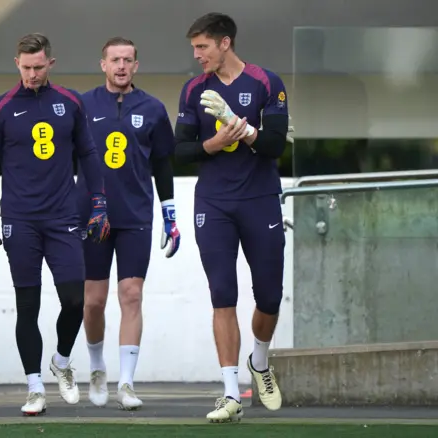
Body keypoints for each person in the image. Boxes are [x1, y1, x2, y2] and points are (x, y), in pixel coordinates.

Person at [0, 32, 110, 416]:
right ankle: (34, 388)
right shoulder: (0, 109)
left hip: (63, 216)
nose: (32, 74)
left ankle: (61, 362)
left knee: (75, 301)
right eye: (26, 67)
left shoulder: (70, 102)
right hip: (19, 220)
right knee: (26, 305)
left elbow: (89, 154)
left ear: (51, 63)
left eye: (38, 67)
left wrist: (99, 202)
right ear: (17, 63)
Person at [174, 13, 291, 423]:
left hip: (259, 198)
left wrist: (245, 133)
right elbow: (180, 150)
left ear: (225, 43)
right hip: (214, 203)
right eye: (194, 48)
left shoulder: (265, 82)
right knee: (222, 293)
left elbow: (277, 144)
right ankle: (230, 393)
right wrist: (215, 142)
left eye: (202, 47)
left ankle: (259, 364)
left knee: (270, 296)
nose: (197, 55)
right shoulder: (194, 89)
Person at [75, 37, 180, 410]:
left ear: (136, 66)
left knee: (132, 295)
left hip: (136, 215)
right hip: (92, 216)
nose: (121, 66)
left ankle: (128, 383)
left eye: (128, 60)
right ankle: (97, 366)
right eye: (114, 60)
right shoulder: (82, 105)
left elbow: (163, 165)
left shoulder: (152, 108)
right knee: (93, 301)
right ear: (102, 64)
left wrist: (170, 214)